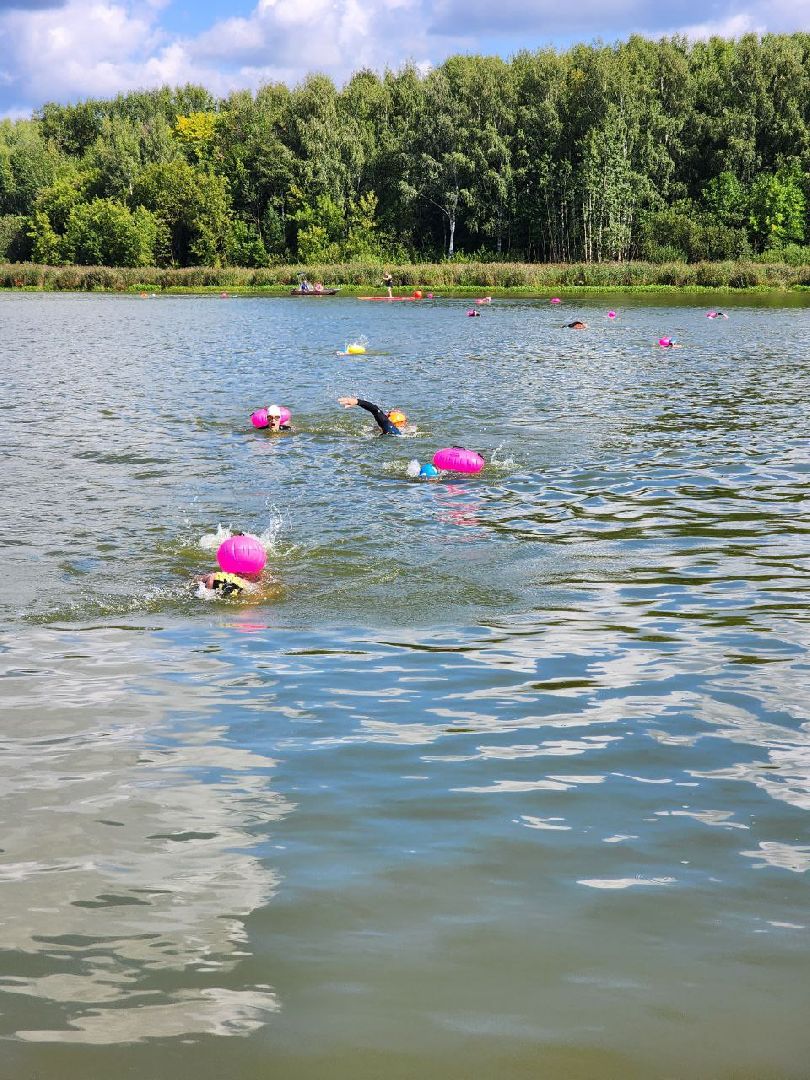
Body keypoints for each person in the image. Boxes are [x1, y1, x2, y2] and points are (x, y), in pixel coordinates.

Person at [338, 396, 407, 435]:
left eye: (387, 415)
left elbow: (375, 410)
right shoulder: (400, 432)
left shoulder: (388, 426)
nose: (385, 415)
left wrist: (357, 402)